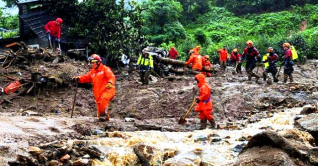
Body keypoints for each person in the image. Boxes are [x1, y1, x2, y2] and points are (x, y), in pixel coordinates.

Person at [73, 54, 116, 122]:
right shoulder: (92, 72)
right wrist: (79, 78)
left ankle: (103, 116)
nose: (91, 64)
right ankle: (105, 122)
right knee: (100, 111)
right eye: (91, 62)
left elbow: (111, 77)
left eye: (93, 62)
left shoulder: (105, 69)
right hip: (98, 93)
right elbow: (86, 78)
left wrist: (110, 83)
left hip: (108, 90)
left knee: (103, 99)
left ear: (98, 62)